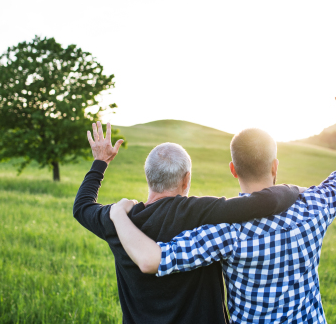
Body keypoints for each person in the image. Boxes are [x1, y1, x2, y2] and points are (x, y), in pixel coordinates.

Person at [108, 78, 336, 323]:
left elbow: (150, 260)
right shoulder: (313, 207)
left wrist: (119, 213)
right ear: (275, 166)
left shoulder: (226, 230)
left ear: (233, 169)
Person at [73, 122, 300, 324]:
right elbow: (262, 202)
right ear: (186, 179)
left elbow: (82, 207)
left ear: (148, 176)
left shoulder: (119, 220)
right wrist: (294, 189)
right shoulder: (199, 212)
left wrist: (100, 162)